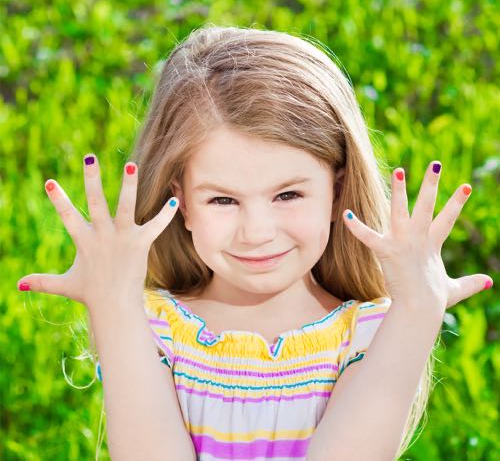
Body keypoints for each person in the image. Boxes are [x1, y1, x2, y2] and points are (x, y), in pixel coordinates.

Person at [17, 25, 493, 461]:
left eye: (288, 195)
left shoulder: (369, 336)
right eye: (223, 200)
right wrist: (113, 304)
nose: (257, 232)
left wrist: (416, 311)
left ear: (337, 190)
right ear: (181, 203)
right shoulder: (150, 329)